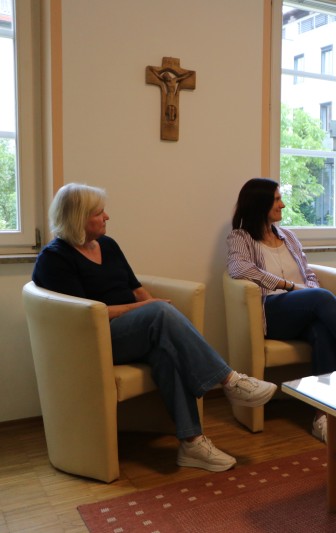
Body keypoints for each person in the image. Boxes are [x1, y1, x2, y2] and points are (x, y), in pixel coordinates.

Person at [32, 183, 277, 473]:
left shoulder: (107, 245)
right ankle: (229, 381)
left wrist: (156, 309)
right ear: (79, 218)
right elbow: (83, 316)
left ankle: (192, 443)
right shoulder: (55, 258)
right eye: (99, 213)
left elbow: (136, 289)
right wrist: (151, 309)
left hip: (129, 333)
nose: (107, 216)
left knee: (166, 350)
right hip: (93, 340)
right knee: (158, 312)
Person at [226, 178, 336, 448]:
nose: (282, 204)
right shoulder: (240, 237)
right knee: (320, 297)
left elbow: (308, 274)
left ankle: (323, 417)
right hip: (270, 312)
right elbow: (239, 269)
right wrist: (288, 286)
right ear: (260, 204)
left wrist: (308, 291)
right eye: (277, 199)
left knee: (324, 329)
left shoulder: (287, 236)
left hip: (302, 309)